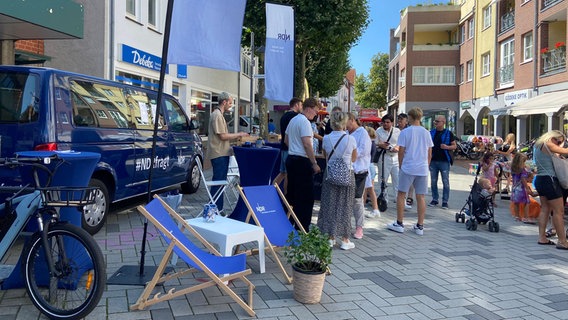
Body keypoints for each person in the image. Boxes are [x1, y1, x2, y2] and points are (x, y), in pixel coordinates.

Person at [387, 107, 433, 235]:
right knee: (421, 196)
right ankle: (420, 225)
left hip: (408, 166)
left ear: (410, 118)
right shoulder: (426, 132)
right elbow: (429, 153)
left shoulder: (405, 132)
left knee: (401, 194)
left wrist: (401, 165)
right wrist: (426, 165)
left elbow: (401, 151)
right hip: (422, 168)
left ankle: (400, 223)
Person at [317, 111, 357, 250]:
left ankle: (330, 237)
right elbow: (354, 158)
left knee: (329, 205)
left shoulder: (326, 138)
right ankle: (345, 239)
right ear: (345, 123)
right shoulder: (350, 139)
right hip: (347, 174)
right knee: (345, 206)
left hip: (330, 174)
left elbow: (325, 155)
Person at [206, 92, 249, 211]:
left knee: (219, 182)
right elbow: (223, 136)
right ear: (224, 102)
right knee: (218, 183)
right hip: (219, 154)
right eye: (230, 102)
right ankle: (215, 210)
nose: (231, 105)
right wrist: (239, 134)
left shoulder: (218, 114)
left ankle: (216, 209)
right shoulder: (217, 115)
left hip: (221, 153)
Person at [285, 98, 321, 231]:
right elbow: (307, 144)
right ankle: (303, 227)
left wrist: (294, 148)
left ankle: (290, 223)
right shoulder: (305, 122)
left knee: (292, 193)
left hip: (292, 158)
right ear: (309, 108)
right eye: (316, 111)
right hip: (302, 160)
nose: (316, 114)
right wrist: (314, 162)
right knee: (306, 197)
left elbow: (286, 139)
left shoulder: (293, 120)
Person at [533, 130, 568, 248]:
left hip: (540, 179)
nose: (558, 144)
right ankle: (562, 242)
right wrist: (562, 146)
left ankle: (542, 237)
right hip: (550, 180)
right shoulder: (548, 144)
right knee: (559, 211)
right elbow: (566, 151)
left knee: (545, 209)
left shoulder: (538, 145)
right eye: (558, 141)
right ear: (553, 138)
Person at [346, 113, 371, 239]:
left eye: (346, 123)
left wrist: (349, 154)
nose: (345, 126)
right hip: (347, 170)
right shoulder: (347, 133)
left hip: (359, 171)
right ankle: (345, 225)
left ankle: (359, 227)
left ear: (352, 120)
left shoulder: (363, 133)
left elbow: (363, 151)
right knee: (345, 199)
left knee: (357, 200)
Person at [273, 98, 303, 192]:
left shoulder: (284, 116)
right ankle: (287, 199)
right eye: (301, 105)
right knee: (288, 175)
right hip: (290, 148)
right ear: (297, 105)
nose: (302, 107)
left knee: (282, 173)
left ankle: (270, 190)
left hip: (283, 147)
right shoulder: (295, 117)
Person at [428, 115, 457, 210]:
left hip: (444, 160)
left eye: (438, 121)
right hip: (433, 160)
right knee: (433, 181)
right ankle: (435, 199)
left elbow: (454, 146)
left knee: (445, 181)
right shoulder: (431, 132)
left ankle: (445, 201)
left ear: (443, 122)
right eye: (435, 121)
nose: (436, 123)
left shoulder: (448, 133)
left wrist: (447, 147)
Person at [374, 114, 401, 211]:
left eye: (387, 122)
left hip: (395, 157)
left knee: (397, 179)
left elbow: (400, 143)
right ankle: (383, 200)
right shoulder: (378, 131)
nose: (385, 124)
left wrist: (397, 148)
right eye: (384, 122)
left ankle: (400, 200)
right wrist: (382, 145)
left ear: (392, 123)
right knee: (383, 179)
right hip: (384, 157)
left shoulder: (397, 131)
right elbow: (376, 143)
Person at [363, 126, 380, 218]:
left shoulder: (369, 143)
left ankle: (375, 208)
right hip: (371, 166)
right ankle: (369, 208)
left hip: (368, 166)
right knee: (367, 189)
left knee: (369, 189)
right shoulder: (372, 143)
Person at [397, 113, 414, 208]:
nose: (399, 122)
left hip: (408, 158)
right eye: (398, 120)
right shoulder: (395, 130)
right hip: (397, 157)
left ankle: (410, 197)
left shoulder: (409, 131)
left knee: (411, 181)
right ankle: (401, 198)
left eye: (401, 120)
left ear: (406, 121)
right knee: (401, 180)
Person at [510, 153, 531, 222]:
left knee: (516, 202)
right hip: (522, 188)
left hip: (514, 187)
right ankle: (526, 217)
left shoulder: (513, 168)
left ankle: (517, 216)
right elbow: (523, 179)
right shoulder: (522, 169)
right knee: (526, 202)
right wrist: (527, 188)